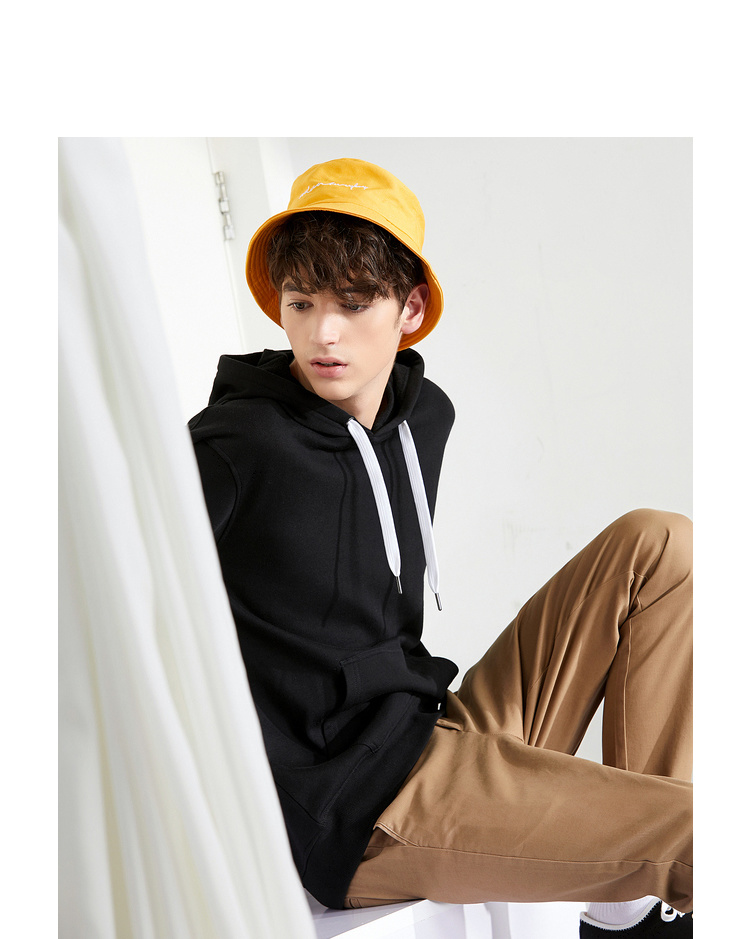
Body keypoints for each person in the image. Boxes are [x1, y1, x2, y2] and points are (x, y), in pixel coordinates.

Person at [188, 157, 692, 937]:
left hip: (430, 731)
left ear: (410, 307)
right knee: (696, 827)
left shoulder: (425, 415)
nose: (323, 332)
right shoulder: (233, 444)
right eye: (301, 302)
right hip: (356, 810)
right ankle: (649, 870)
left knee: (660, 544)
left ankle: (625, 902)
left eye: (354, 303)